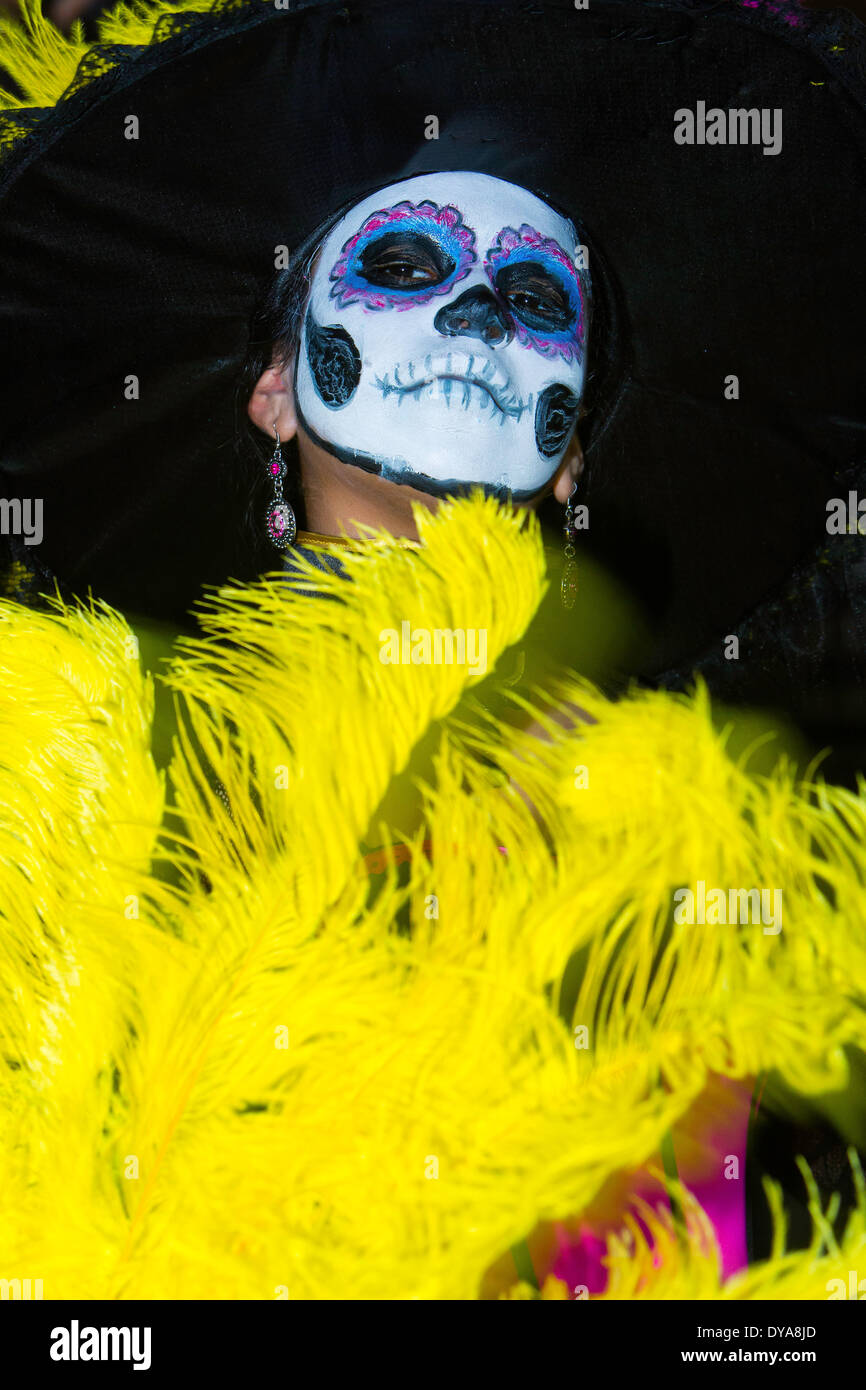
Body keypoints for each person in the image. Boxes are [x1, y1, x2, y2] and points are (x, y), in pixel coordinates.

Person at [1, 0, 865, 1300]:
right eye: (404, 266)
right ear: (275, 386)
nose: (473, 318)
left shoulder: (692, 844)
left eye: (530, 297)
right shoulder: (60, 749)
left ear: (572, 451)